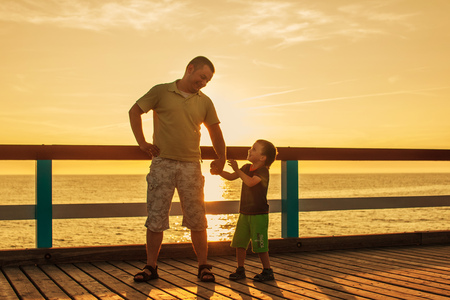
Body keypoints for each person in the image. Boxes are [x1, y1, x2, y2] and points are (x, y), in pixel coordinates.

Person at [129, 56, 226, 282]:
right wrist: (142, 143)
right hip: (162, 163)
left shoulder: (205, 101)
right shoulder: (161, 92)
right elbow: (134, 112)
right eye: (202, 76)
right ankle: (151, 267)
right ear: (189, 69)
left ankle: (204, 266)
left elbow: (216, 132)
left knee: (197, 218)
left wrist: (222, 157)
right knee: (156, 218)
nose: (203, 82)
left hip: (192, 164)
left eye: (208, 80)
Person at [219, 139, 277, 281]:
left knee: (260, 243)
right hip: (244, 212)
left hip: (259, 214)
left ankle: (267, 270)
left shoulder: (263, 171)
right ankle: (240, 269)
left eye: (254, 149)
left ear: (263, 158)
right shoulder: (246, 168)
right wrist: (218, 171)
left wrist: (237, 170)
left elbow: (251, 182)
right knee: (240, 242)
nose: (250, 150)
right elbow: (232, 177)